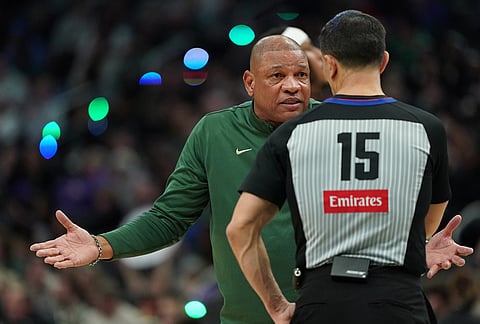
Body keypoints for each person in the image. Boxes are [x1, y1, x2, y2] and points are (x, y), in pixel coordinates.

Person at [31, 34, 471, 324]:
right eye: (277, 76)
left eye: (302, 75)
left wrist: (413, 246)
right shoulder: (213, 132)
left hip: (327, 313)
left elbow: (370, 206)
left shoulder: (333, 124)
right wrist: (101, 246)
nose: (294, 86)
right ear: (248, 82)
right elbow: (169, 218)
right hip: (248, 318)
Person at [226, 10, 474, 324]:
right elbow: (425, 224)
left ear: (328, 64)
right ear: (383, 61)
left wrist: (276, 306)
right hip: (398, 302)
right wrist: (415, 247)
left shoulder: (290, 133)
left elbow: (240, 229)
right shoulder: (428, 128)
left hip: (322, 302)